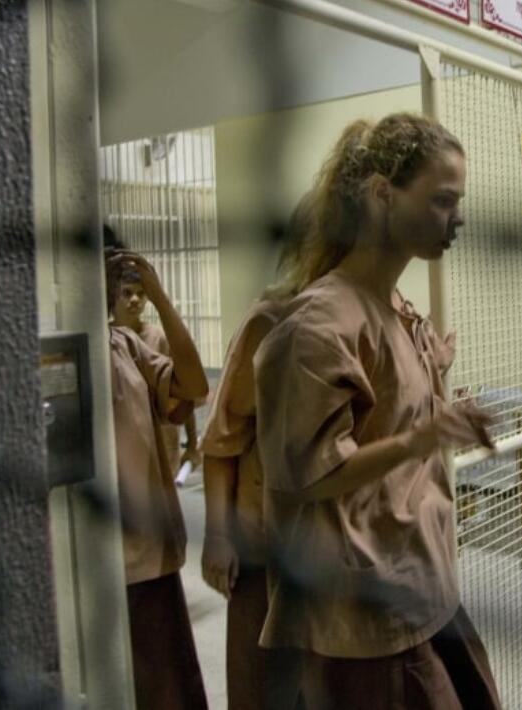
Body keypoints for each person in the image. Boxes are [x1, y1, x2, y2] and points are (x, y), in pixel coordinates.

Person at [252, 114, 502, 709]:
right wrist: (424, 436)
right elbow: (308, 474)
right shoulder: (319, 324)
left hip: (423, 583)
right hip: (368, 612)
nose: (457, 217)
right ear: (381, 195)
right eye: (442, 199)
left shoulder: (390, 304)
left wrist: (434, 385)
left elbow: (384, 417)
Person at [199, 197, 313, 710]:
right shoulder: (268, 321)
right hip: (263, 543)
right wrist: (218, 535)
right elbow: (221, 441)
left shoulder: (355, 315)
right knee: (262, 685)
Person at [105, 245, 211, 709]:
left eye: (137, 291)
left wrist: (164, 300)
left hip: (149, 540)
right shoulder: (95, 349)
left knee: (166, 678)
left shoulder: (131, 344)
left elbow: (193, 389)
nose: (133, 299)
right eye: (121, 288)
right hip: (110, 550)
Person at [111, 272, 201, 479]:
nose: (135, 299)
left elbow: (185, 395)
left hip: (163, 435)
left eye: (141, 294)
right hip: (125, 437)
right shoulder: (107, 339)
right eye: (127, 293)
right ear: (113, 296)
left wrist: (193, 445)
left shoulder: (159, 337)